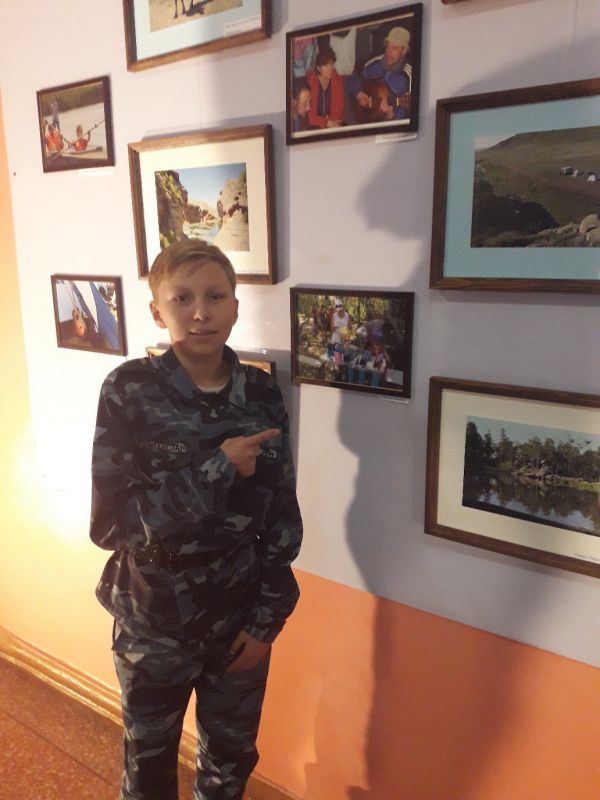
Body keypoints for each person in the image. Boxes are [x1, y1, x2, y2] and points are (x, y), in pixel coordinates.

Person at [90, 239, 303, 800]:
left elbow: (281, 512)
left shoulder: (260, 392)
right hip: (153, 619)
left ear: (235, 307)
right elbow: (110, 525)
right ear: (157, 310)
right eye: (182, 298)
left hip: (238, 613)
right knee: (149, 765)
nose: (201, 312)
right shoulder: (130, 390)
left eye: (215, 296)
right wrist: (216, 470)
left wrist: (267, 621)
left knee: (230, 760)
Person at [349, 26, 412, 122]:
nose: (389, 52)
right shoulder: (374, 63)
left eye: (394, 48)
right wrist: (358, 93)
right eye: (388, 46)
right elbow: (352, 75)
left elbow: (409, 114)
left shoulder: (408, 76)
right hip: (362, 119)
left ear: (404, 51)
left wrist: (391, 116)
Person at [307, 46, 345, 129]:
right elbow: (309, 115)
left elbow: (339, 107)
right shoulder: (311, 82)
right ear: (318, 68)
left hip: (333, 122)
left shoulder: (337, 80)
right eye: (326, 65)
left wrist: (331, 121)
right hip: (315, 124)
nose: (330, 69)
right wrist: (325, 122)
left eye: (332, 64)